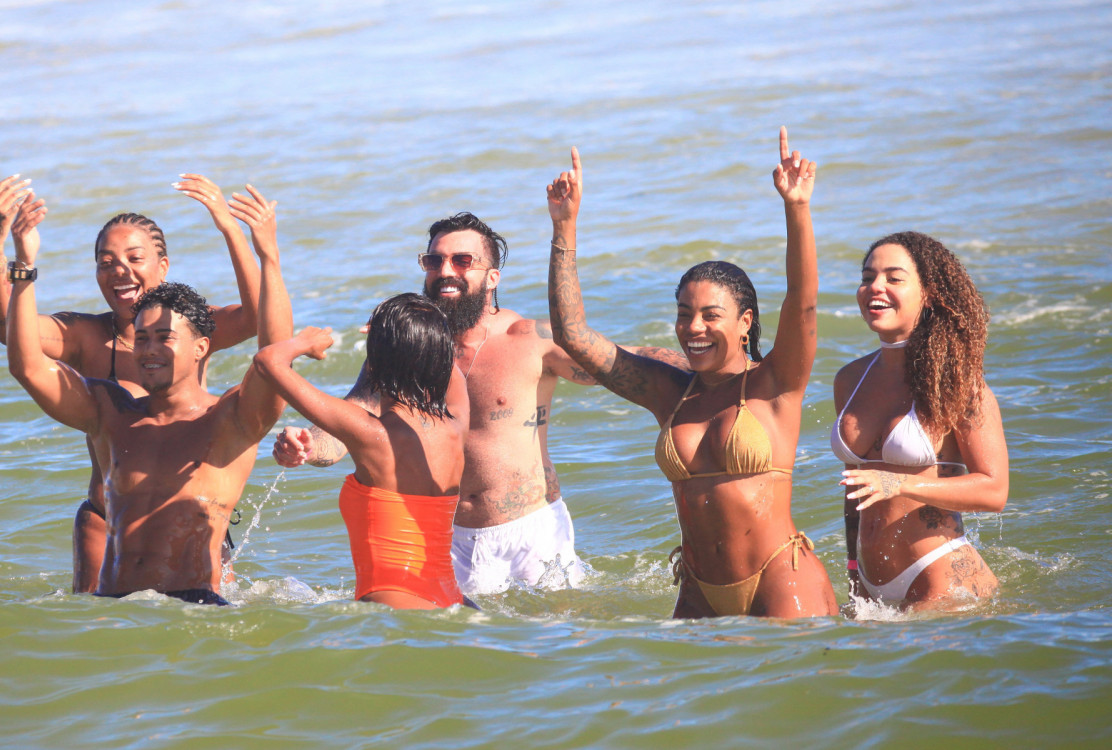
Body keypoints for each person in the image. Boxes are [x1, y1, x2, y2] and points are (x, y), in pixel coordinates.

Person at [273, 214, 688, 596]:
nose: (445, 271)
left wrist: (720, 371)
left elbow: (624, 363)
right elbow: (352, 422)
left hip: (532, 534)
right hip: (446, 537)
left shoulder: (529, 340)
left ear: (492, 277)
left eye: (462, 260)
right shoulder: (408, 349)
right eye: (434, 261)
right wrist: (309, 446)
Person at [546, 130, 837, 618]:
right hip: (698, 589)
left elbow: (802, 302)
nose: (693, 328)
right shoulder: (669, 392)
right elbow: (572, 335)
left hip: (780, 579)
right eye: (684, 314)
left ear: (745, 323)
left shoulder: (775, 383)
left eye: (709, 315)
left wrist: (797, 208)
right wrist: (564, 228)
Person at [3, 185, 291, 604]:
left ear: (201, 346)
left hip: (196, 606)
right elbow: (25, 365)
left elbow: (271, 355)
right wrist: (23, 264)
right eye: (142, 339)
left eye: (164, 338)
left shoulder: (230, 419)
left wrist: (267, 255)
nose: (150, 350)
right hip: (115, 605)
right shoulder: (110, 414)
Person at [255, 294, 469, 609]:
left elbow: (267, 361)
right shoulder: (456, 424)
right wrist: (410, 333)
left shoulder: (369, 432)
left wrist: (304, 342)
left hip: (393, 599)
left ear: (375, 358)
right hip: (450, 597)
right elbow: (444, 367)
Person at [833, 231, 1007, 611]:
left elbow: (994, 491)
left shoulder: (959, 382)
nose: (874, 287)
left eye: (894, 278)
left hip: (938, 575)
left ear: (928, 293)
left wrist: (898, 483)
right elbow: (855, 489)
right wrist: (851, 571)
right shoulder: (849, 379)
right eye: (867, 278)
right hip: (867, 582)